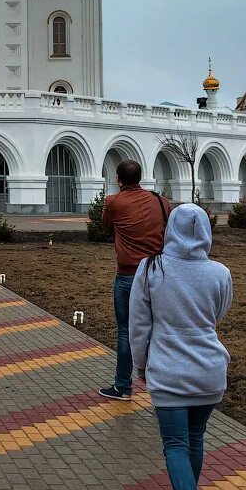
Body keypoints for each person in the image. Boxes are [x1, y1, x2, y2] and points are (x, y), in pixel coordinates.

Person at [129, 203, 232, 490]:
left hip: (169, 371)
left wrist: (140, 365)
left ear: (169, 229)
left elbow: (138, 324)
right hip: (209, 372)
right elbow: (218, 313)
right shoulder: (219, 272)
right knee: (195, 439)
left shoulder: (151, 268)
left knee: (174, 444)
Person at [98, 159, 170, 400]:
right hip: (159, 274)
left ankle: (123, 387)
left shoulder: (114, 202)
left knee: (126, 331)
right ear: (141, 177)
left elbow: (105, 226)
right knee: (160, 329)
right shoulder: (161, 201)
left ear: (118, 179)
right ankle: (163, 386)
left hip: (128, 275)